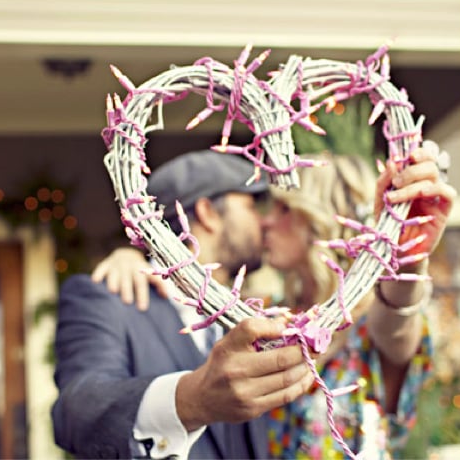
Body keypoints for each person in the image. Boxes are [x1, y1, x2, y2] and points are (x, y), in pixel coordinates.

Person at [92, 143, 456, 459]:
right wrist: (136, 258)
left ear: (321, 218)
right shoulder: (266, 313)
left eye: (283, 210)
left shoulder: (365, 318)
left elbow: (396, 323)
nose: (266, 223)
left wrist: (406, 259)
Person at [51, 150, 317, 459]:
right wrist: (193, 399)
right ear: (208, 213)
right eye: (251, 206)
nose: (265, 221)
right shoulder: (109, 296)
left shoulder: (255, 314)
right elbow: (76, 410)